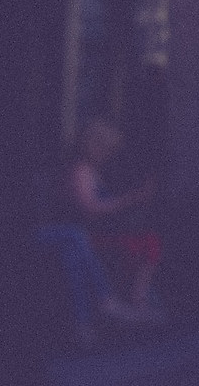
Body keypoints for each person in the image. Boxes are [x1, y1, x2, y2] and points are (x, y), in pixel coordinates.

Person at [37, 119, 158, 348]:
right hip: (90, 231)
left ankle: (88, 323)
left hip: (91, 232)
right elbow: (88, 209)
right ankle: (111, 303)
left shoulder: (95, 171)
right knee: (76, 238)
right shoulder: (80, 171)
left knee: (144, 239)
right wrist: (129, 200)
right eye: (108, 149)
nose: (110, 154)